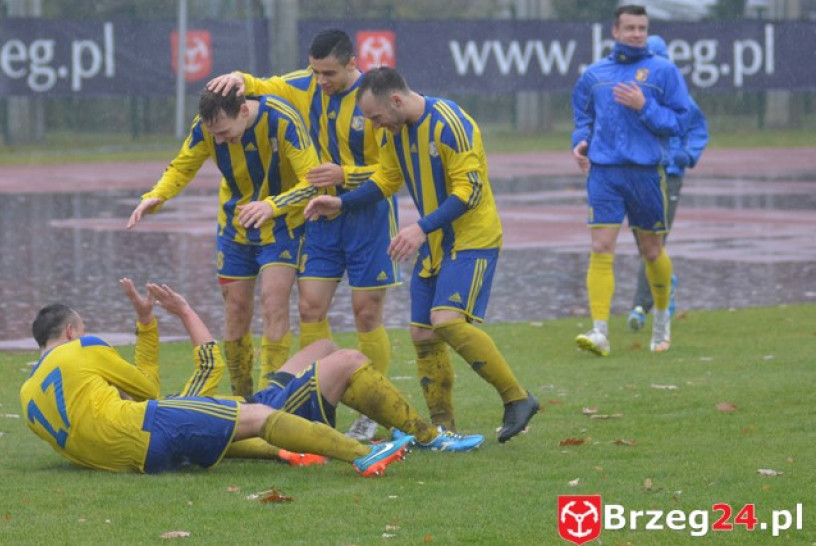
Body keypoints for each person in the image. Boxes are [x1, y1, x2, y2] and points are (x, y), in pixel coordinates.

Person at [303, 66, 539, 444]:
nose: (376, 126)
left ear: (396, 101)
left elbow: (469, 192)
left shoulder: (451, 123)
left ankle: (518, 398)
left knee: (445, 320)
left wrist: (419, 227)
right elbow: (385, 180)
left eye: (377, 117)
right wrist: (341, 202)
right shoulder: (394, 132)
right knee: (422, 334)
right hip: (434, 243)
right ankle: (444, 428)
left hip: (471, 238)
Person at [207, 29, 400, 442]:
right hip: (319, 215)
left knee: (366, 313)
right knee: (310, 309)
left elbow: (392, 171)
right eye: (314, 72)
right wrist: (239, 79)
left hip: (369, 214)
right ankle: (316, 400)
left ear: (352, 64)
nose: (320, 81)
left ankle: (369, 408)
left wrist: (346, 174)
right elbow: (263, 86)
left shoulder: (374, 99)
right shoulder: (304, 85)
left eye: (328, 73)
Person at [20, 278, 415, 477]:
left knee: (323, 348)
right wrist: (147, 325)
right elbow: (150, 388)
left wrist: (184, 311)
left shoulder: (27, 398)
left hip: (132, 451)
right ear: (71, 331)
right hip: (146, 431)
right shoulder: (83, 349)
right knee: (343, 361)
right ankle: (368, 453)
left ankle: (370, 439)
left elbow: (208, 367)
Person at [126, 90, 322, 397]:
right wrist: (157, 195)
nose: (218, 141)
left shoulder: (283, 120)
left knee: (273, 303)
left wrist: (273, 205)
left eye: (224, 133)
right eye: (213, 134)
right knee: (235, 310)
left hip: (282, 225)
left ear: (243, 111)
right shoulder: (207, 126)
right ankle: (242, 399)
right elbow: (182, 166)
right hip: (235, 227)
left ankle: (270, 399)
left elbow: (313, 181)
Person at [571, 5, 692, 356]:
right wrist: (580, 142)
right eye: (630, 28)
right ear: (615, 32)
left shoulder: (664, 72)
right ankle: (599, 332)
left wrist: (645, 106)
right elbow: (583, 118)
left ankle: (662, 321)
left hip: (646, 174)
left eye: (642, 28)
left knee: (651, 250)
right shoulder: (594, 75)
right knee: (600, 247)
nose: (637, 33)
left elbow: (681, 123)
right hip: (604, 173)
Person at [627, 35, 709, 331]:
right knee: (644, 243)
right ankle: (665, 280)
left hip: (669, 176)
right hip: (637, 175)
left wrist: (685, 155)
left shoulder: (679, 96)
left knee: (655, 242)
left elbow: (697, 128)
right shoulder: (630, 93)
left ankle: (640, 306)